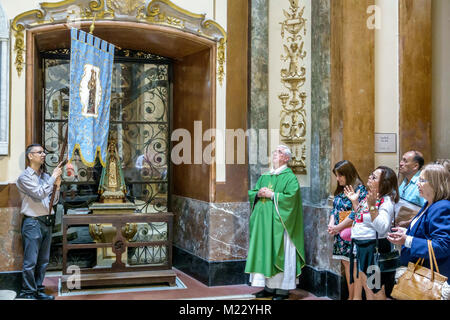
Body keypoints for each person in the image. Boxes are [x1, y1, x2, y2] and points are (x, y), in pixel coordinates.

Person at [245, 145, 305, 300]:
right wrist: (257, 193)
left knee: (280, 253)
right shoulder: (265, 176)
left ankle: (282, 289)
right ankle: (268, 288)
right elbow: (253, 193)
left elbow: (291, 199)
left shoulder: (290, 177)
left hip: (281, 225)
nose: (274, 154)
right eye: (274, 152)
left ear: (286, 158)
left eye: (278, 152)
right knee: (265, 253)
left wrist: (272, 195)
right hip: (264, 225)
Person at [387, 163, 450, 298]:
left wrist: (407, 240)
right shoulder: (429, 203)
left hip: (429, 276)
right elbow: (425, 234)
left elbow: (442, 246)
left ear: (435, 183)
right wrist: (405, 233)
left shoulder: (442, 207)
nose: (417, 184)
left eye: (422, 180)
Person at [16, 144, 62, 300]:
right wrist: (53, 178)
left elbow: (52, 201)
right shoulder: (24, 178)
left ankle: (38, 290)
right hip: (32, 223)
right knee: (30, 262)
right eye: (40, 152)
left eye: (44, 152)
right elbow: (39, 193)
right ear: (30, 156)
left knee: (43, 261)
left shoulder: (44, 176)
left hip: (46, 222)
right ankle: (28, 292)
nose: (43, 155)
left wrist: (57, 186)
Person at [346, 166, 399, 300]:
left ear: (384, 183)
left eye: (374, 177)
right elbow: (363, 218)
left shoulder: (386, 201)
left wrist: (371, 206)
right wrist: (355, 202)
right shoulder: (371, 197)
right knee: (366, 285)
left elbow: (383, 227)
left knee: (375, 288)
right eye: (370, 174)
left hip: (374, 249)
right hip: (363, 247)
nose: (369, 177)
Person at [327, 160, 367, 300]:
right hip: (340, 235)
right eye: (336, 176)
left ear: (348, 174)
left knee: (354, 268)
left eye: (340, 175)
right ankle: (350, 296)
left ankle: (356, 297)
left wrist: (338, 227)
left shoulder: (360, 189)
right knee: (347, 266)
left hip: (352, 235)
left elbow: (356, 213)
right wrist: (332, 224)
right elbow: (335, 209)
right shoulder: (341, 188)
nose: (338, 179)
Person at [397, 151, 426, 228]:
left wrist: (410, 222)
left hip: (415, 229)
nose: (401, 163)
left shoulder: (421, 183)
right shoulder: (404, 181)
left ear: (415, 166)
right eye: (401, 160)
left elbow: (427, 209)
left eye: (405, 161)